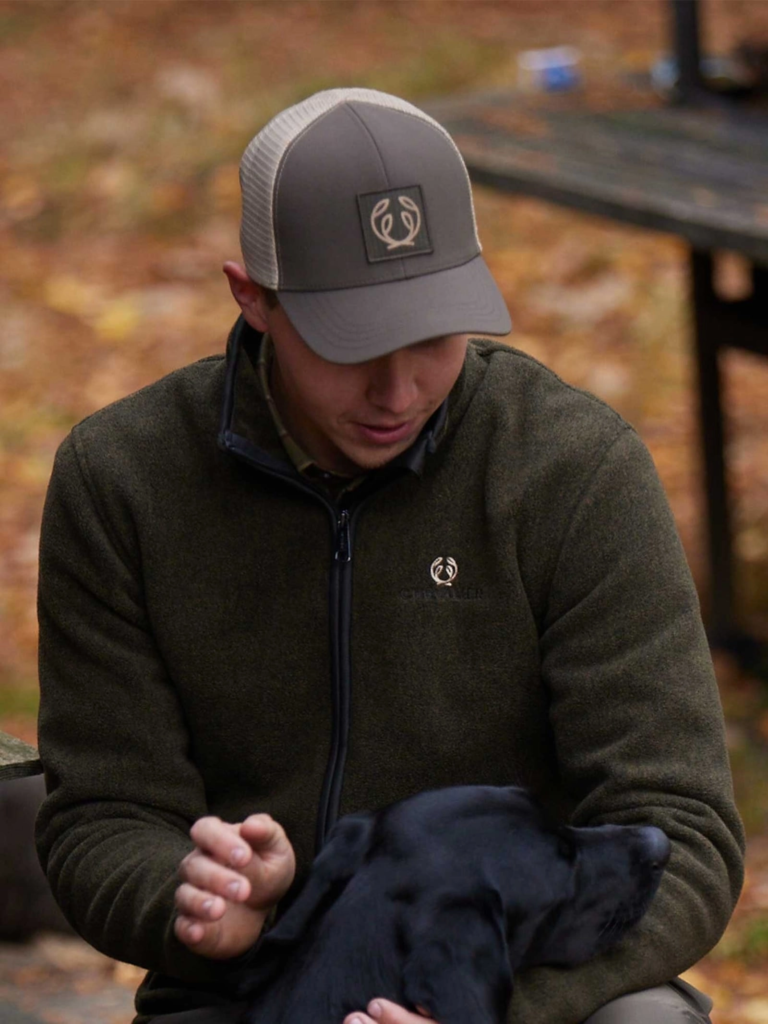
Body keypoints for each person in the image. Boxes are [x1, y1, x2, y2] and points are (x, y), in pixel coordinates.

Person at [35, 87, 744, 1024]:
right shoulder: (124, 480)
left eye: (436, 334)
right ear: (253, 298)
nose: (399, 388)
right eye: (353, 343)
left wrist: (481, 1003)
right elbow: (103, 814)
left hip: (533, 985)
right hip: (246, 987)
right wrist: (206, 900)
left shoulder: (572, 470)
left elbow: (681, 835)